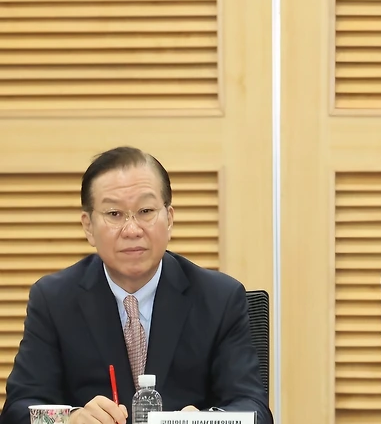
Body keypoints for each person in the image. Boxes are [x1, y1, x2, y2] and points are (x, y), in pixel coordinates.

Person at [1, 147, 271, 424]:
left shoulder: (220, 298)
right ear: (88, 227)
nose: (132, 230)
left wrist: (205, 421)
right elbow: (18, 411)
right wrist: (69, 419)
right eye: (114, 214)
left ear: (169, 219)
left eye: (145, 211)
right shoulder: (54, 300)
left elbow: (254, 410)